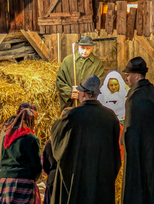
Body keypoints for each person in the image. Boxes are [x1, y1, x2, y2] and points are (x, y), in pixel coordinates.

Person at [50, 75, 121, 204]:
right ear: (97, 94)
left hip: (78, 175)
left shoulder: (73, 115)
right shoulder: (110, 117)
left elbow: (57, 139)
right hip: (101, 177)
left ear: (83, 94)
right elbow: (115, 150)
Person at [121, 57, 154, 204]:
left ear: (136, 76)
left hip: (137, 154)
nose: (127, 78)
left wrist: (124, 142)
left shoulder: (133, 98)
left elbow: (129, 130)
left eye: (128, 75)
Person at [0, 105, 42, 204]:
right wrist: (34, 179)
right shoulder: (31, 139)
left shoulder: (6, 138)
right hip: (23, 184)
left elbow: (2, 161)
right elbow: (36, 166)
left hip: (4, 182)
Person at [55, 36, 104, 110]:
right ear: (78, 47)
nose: (85, 51)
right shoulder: (68, 61)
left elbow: (99, 82)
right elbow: (60, 81)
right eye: (82, 48)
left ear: (92, 48)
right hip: (71, 105)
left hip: (88, 106)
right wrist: (69, 92)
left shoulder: (97, 63)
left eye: (88, 48)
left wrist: (86, 94)